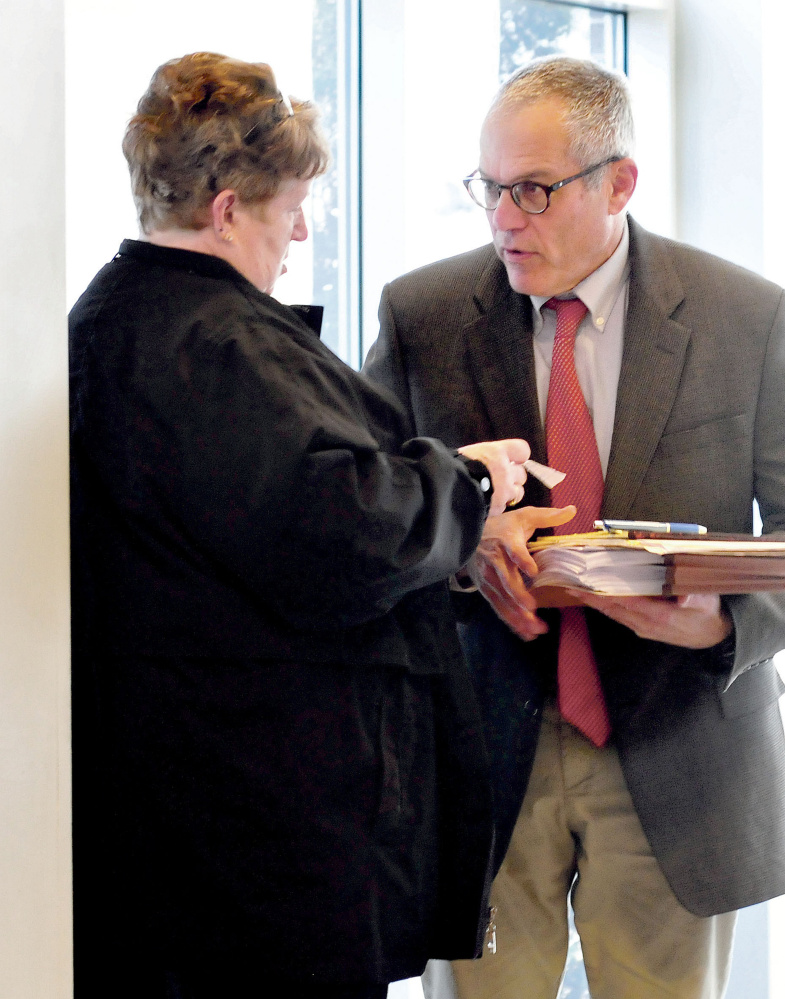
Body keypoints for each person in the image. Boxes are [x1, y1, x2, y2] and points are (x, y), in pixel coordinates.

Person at [363, 56, 785, 999]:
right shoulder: (421, 313)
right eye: (489, 188)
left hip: (680, 742)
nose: (504, 218)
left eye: (533, 191)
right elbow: (365, 523)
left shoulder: (741, 316)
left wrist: (722, 622)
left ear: (618, 183)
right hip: (481, 751)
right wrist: (466, 551)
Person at [69, 52, 532, 999]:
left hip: (186, 809)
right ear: (230, 206)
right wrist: (469, 487)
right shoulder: (217, 341)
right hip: (261, 827)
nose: (303, 231)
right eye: (289, 209)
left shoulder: (112, 319)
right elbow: (337, 532)